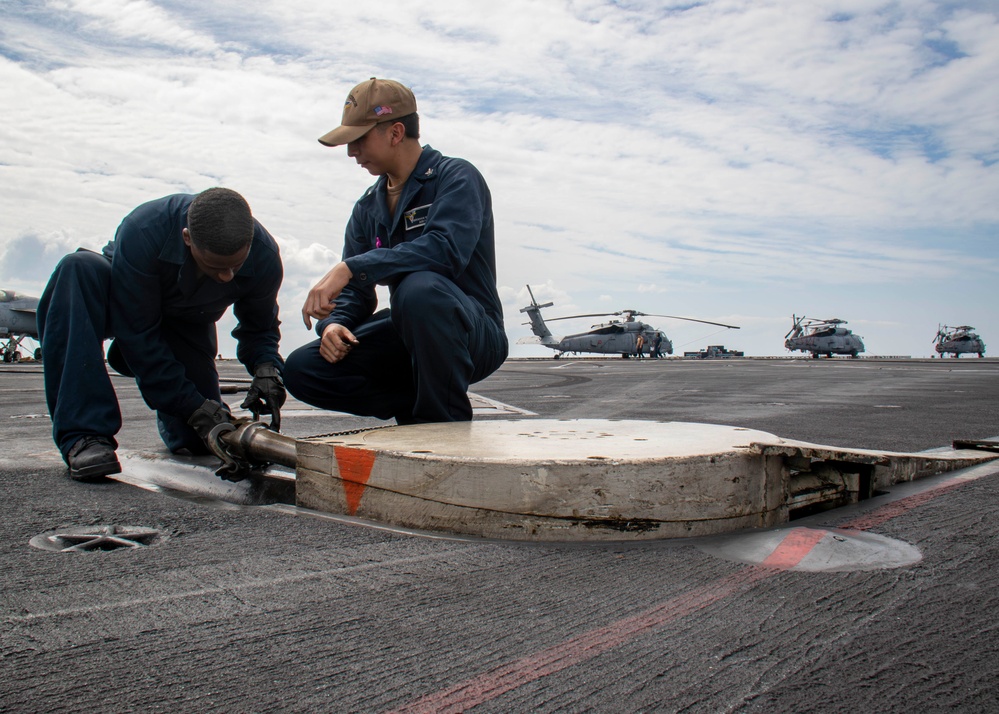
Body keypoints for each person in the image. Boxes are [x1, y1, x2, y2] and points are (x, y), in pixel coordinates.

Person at [285, 78, 508, 424]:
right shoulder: (367, 208)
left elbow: (445, 250)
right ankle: (416, 410)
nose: (351, 152)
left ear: (395, 132)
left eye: (358, 139)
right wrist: (335, 325)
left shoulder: (456, 177)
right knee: (303, 368)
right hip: (410, 332)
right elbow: (356, 295)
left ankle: (443, 426)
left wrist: (350, 266)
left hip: (474, 333)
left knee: (419, 289)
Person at [37, 188, 286, 482]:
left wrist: (267, 368)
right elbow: (138, 334)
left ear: (249, 243)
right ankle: (85, 435)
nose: (227, 277)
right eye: (216, 266)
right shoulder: (143, 230)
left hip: (186, 322)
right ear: (187, 238)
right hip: (123, 306)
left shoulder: (265, 255)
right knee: (78, 269)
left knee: (202, 437)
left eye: (237, 265)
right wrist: (190, 404)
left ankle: (181, 422)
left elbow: (260, 327)